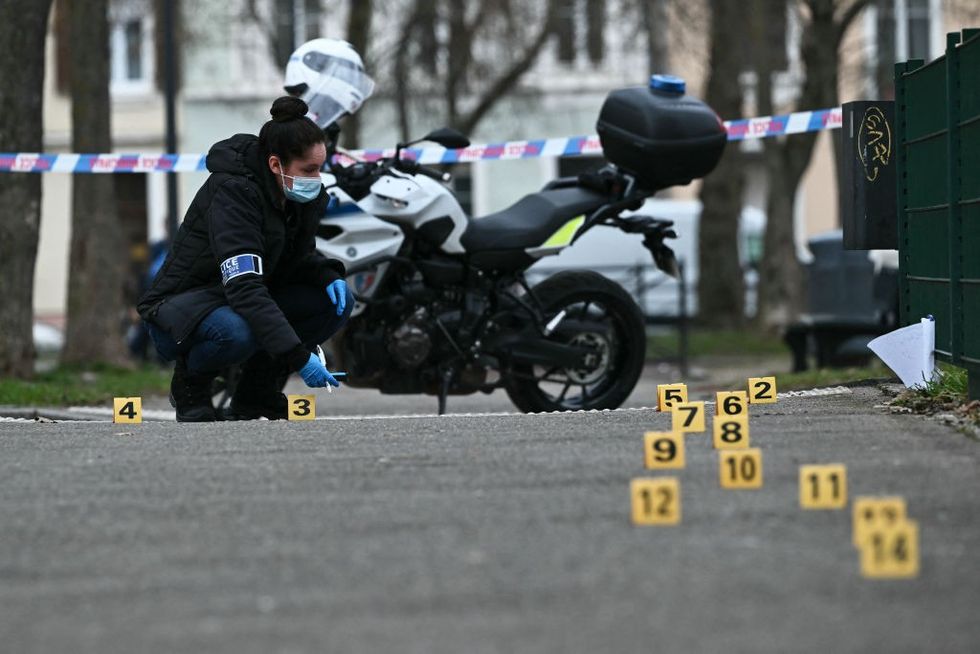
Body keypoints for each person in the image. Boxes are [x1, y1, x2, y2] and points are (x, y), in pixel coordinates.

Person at [137, 96, 352, 422]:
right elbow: (244, 286)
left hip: (241, 294)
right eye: (308, 169)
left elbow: (298, 256)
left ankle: (256, 395)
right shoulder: (233, 192)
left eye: (320, 168)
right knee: (237, 332)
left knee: (332, 300)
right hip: (187, 304)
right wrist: (298, 356)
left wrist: (326, 274)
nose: (316, 178)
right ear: (275, 164)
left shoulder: (300, 194)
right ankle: (190, 384)